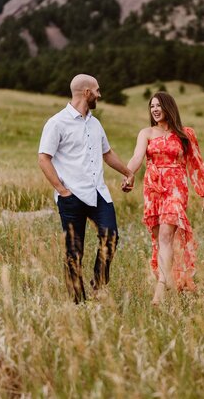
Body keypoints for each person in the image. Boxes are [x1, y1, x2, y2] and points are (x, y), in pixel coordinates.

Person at [38, 74, 134, 303]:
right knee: (74, 252)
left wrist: (127, 172)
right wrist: (62, 191)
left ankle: (98, 283)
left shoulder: (95, 122)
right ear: (87, 93)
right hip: (71, 196)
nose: (100, 94)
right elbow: (43, 158)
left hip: (98, 193)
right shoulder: (57, 122)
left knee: (111, 236)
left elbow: (107, 153)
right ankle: (78, 302)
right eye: (97, 90)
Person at [123, 91, 204, 305]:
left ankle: (161, 289)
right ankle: (172, 282)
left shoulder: (185, 134)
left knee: (166, 234)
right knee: (160, 239)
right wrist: (128, 175)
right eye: (152, 106)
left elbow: (196, 164)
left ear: (168, 108)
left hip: (176, 188)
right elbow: (137, 156)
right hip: (153, 189)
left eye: (159, 106)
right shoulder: (146, 133)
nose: (155, 109)